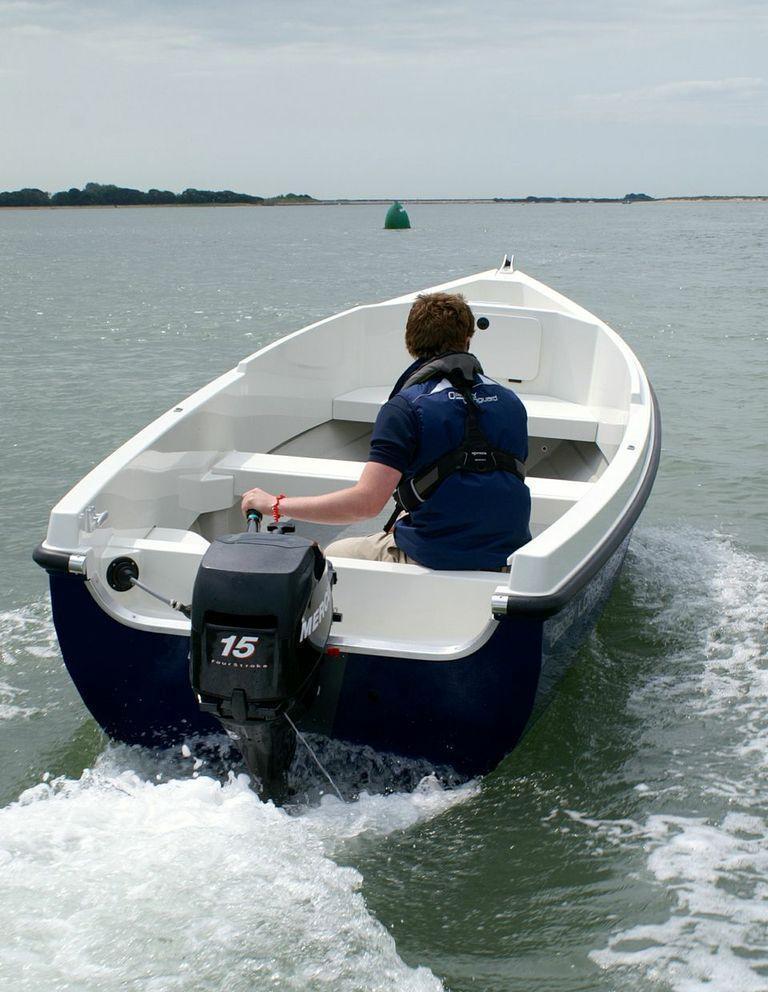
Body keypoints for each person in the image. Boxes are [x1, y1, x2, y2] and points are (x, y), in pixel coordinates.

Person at [241, 292, 531, 570]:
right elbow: (487, 480)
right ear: (467, 340)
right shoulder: (510, 402)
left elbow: (365, 505)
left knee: (334, 554)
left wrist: (274, 505)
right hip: (508, 556)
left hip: (434, 555)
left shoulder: (405, 408)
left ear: (411, 345)